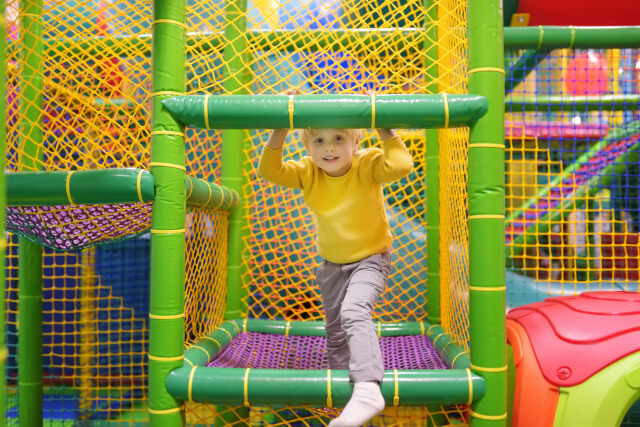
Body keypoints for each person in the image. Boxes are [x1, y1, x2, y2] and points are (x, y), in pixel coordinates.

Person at [258, 120, 413, 426]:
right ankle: (346, 396)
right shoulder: (307, 172)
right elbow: (269, 171)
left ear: (355, 143)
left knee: (354, 312)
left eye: (338, 138)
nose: (328, 147)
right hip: (331, 265)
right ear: (308, 148)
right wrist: (281, 127)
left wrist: (382, 125)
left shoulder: (367, 163)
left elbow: (401, 165)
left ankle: (368, 389)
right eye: (318, 141)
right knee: (336, 331)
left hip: (371, 259)